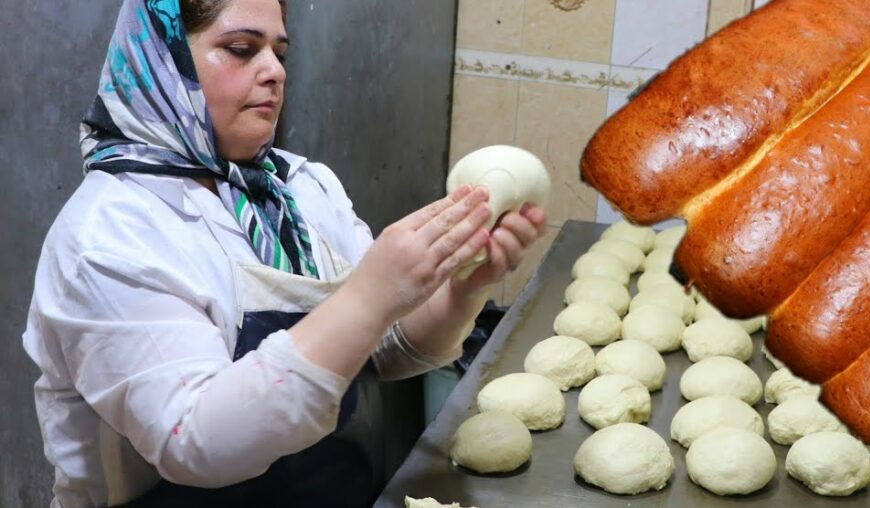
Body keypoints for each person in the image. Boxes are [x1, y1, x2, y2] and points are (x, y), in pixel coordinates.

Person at [22, 0, 546, 506]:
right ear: (162, 63)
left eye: (280, 52)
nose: (273, 70)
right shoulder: (111, 234)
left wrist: (463, 286)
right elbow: (196, 444)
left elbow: (381, 350)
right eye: (242, 48)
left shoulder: (300, 190)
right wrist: (369, 294)